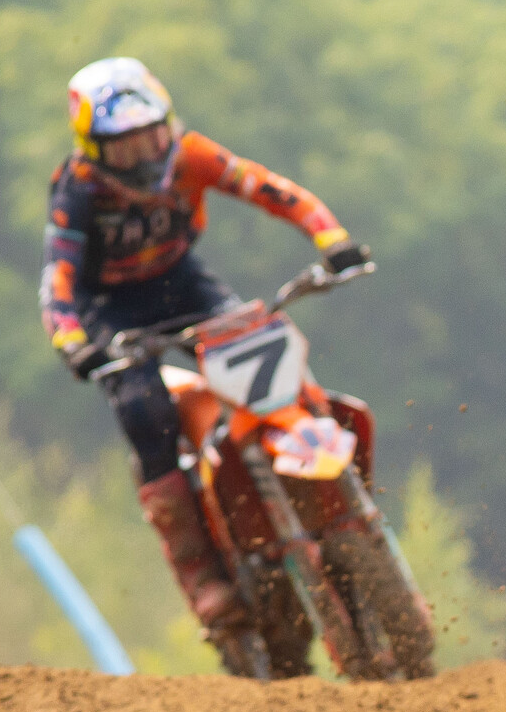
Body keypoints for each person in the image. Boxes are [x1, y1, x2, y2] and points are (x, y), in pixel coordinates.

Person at [40, 57, 370, 653]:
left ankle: (338, 484)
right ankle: (203, 576)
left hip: (181, 283)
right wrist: (73, 343)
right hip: (109, 309)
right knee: (143, 410)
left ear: (170, 125)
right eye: (125, 146)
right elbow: (58, 278)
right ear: (93, 150)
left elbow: (268, 188)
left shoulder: (193, 156)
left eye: (153, 136)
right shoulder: (78, 191)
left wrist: (332, 239)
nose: (144, 156)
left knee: (264, 342)